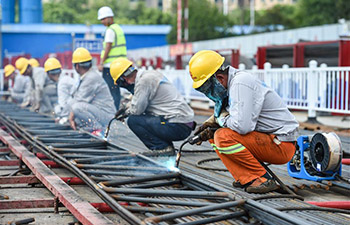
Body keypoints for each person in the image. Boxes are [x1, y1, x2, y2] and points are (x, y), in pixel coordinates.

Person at [189, 50, 299, 194]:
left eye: (207, 88)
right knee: (215, 136)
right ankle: (247, 178)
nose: (208, 93)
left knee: (222, 136)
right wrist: (211, 123)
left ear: (219, 78)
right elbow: (232, 115)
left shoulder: (240, 83)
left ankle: (262, 179)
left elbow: (242, 126)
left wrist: (218, 122)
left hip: (281, 144)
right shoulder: (232, 85)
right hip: (269, 139)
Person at [109, 58, 195, 155]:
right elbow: (139, 100)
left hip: (177, 126)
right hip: (182, 123)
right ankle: (166, 146)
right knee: (144, 116)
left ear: (123, 79)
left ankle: (162, 148)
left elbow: (137, 110)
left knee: (134, 121)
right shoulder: (149, 75)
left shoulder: (143, 82)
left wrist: (125, 113)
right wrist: (126, 107)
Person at [68, 47, 116, 135]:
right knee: (74, 107)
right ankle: (90, 128)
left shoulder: (91, 78)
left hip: (107, 117)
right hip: (100, 113)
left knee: (77, 107)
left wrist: (70, 118)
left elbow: (79, 101)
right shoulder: (87, 76)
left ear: (77, 66)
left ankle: (97, 130)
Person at [97, 6, 127, 110]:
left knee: (111, 90)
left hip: (110, 66)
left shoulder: (110, 30)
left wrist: (101, 62)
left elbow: (108, 47)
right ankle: (115, 111)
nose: (102, 22)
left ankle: (112, 113)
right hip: (119, 66)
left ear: (110, 17)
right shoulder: (118, 29)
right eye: (101, 19)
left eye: (104, 19)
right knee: (116, 90)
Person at [44, 58, 77, 124]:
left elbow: (63, 105)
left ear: (49, 74)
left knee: (57, 109)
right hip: (78, 108)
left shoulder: (62, 83)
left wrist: (62, 118)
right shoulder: (64, 79)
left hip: (76, 110)